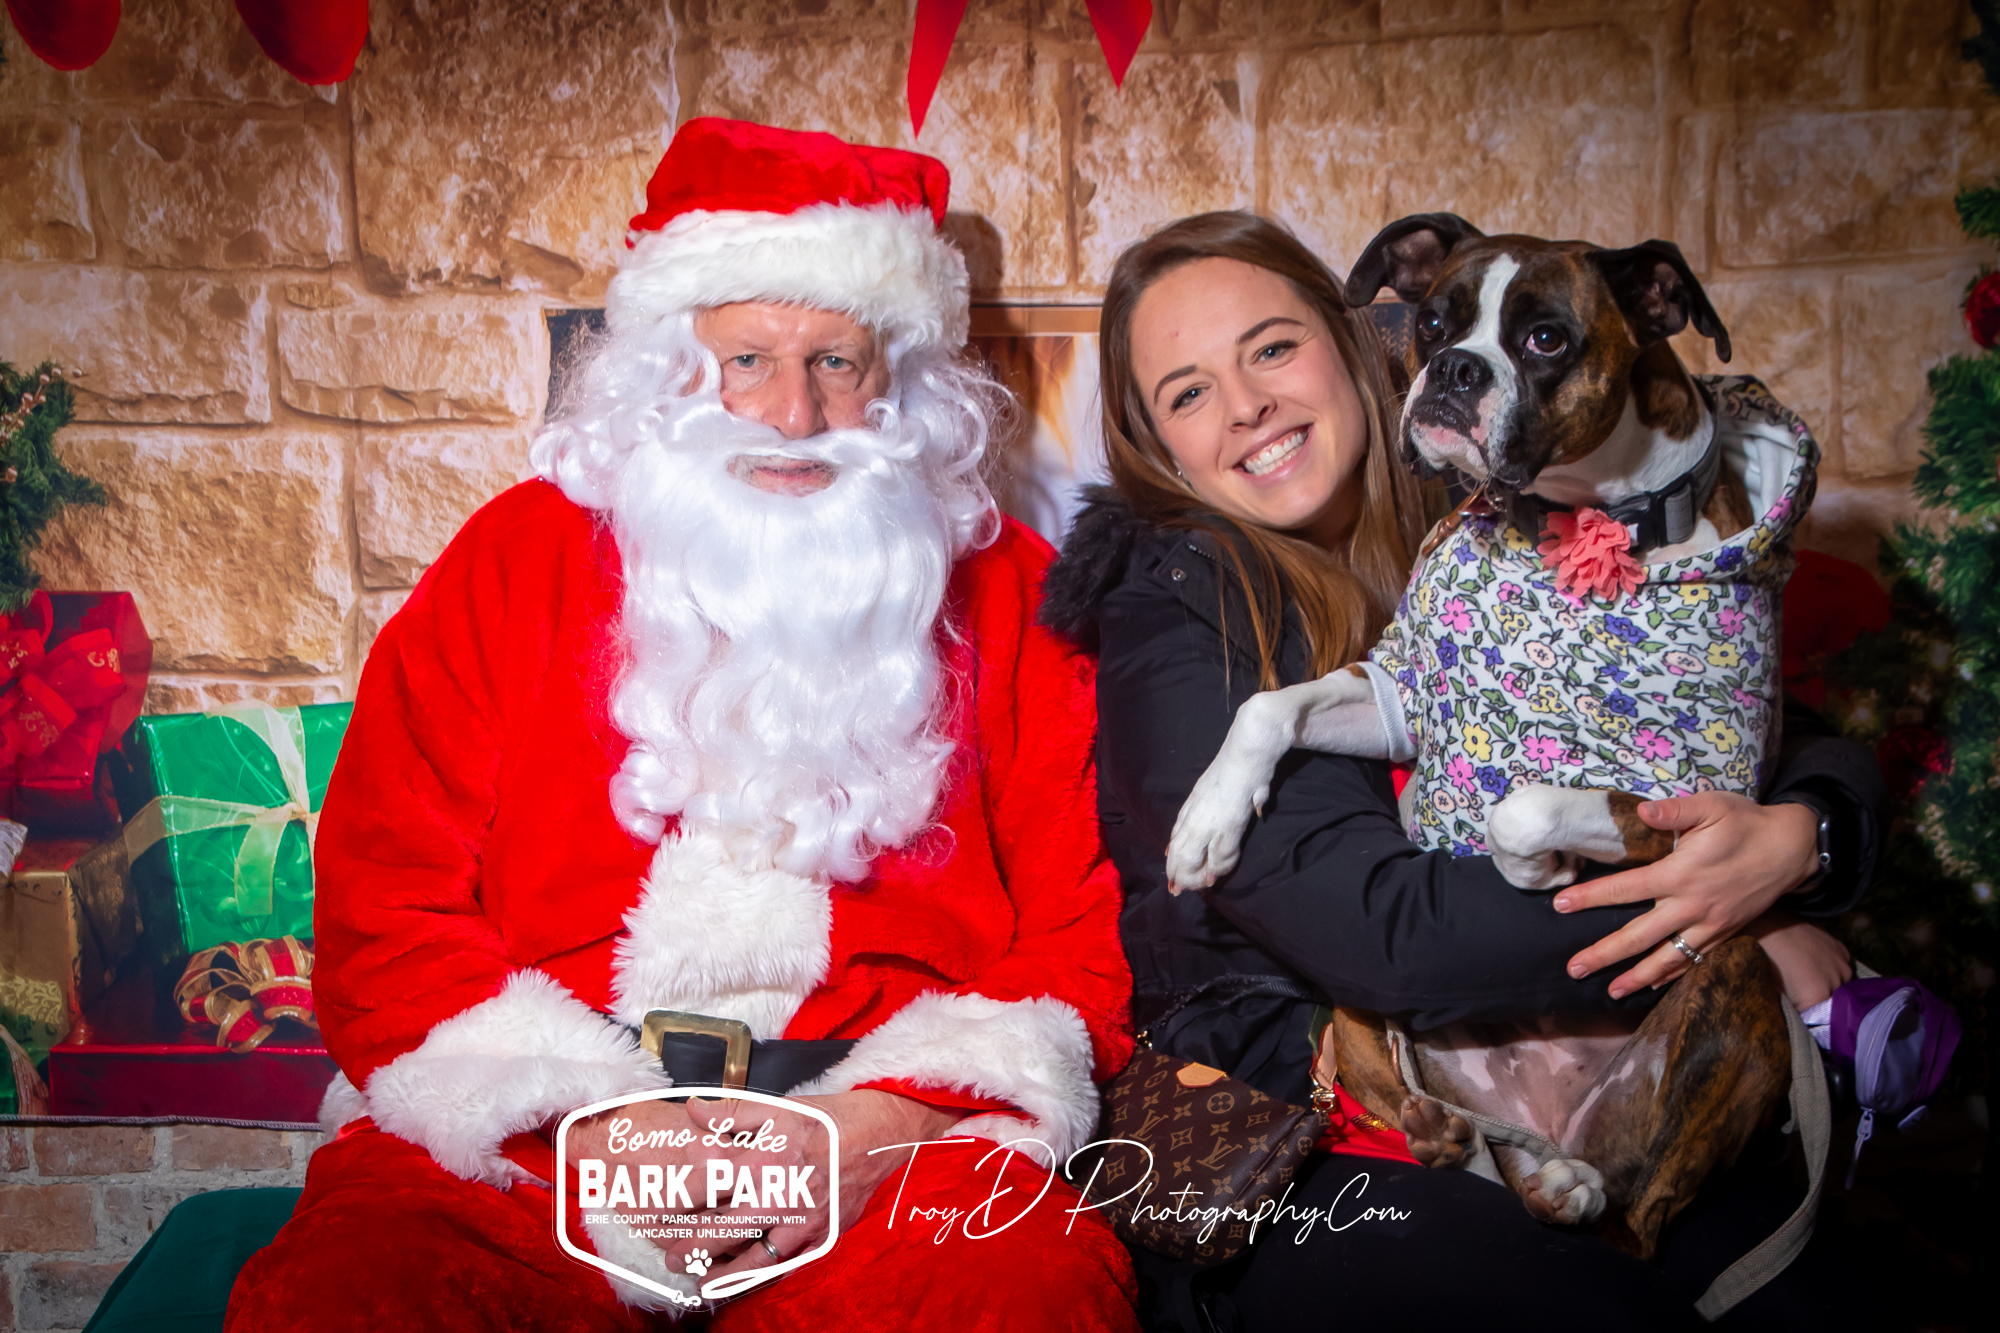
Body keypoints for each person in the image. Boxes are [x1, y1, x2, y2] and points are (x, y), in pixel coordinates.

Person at [226, 119, 1139, 1332]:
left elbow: (1083, 927)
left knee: (1025, 1294)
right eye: (746, 359)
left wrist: (880, 1124)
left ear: (897, 381)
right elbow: (384, 901)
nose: (793, 415)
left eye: (836, 361)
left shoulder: (1008, 591)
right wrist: (591, 1123)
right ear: (668, 368)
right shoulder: (514, 561)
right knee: (353, 1299)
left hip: (881, 1142)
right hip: (541, 1132)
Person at [1040, 211, 1886, 1330]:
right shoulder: (1175, 606)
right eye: (1188, 392)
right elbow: (1382, 935)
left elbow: (1722, 707)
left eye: (1271, 348)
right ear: (1155, 442)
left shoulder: (1503, 495)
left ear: (1355, 342)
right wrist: (1717, 916)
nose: (1245, 405)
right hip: (1297, 1130)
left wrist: (1805, 834)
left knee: (1826, 1303)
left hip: (1595, 1064)